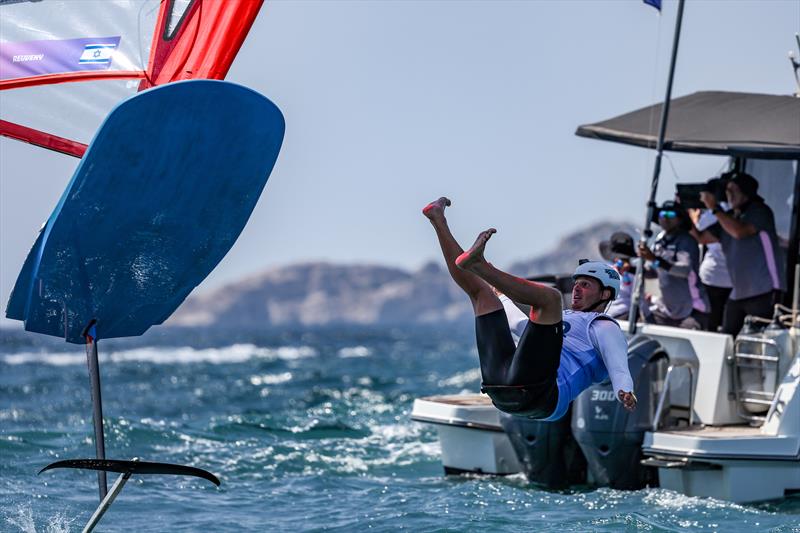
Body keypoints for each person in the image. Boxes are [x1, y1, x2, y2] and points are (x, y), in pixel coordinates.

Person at [422, 197, 636, 421]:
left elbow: (619, 365)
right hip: (502, 389)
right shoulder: (559, 320)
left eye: (585, 284)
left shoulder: (603, 326)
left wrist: (624, 390)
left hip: (544, 397)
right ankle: (438, 220)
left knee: (551, 298)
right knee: (482, 294)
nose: (576, 289)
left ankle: (480, 265)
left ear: (605, 294)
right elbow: (520, 324)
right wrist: (501, 294)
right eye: (576, 283)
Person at [691, 172, 786, 335]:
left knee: (758, 339)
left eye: (734, 190)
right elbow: (701, 238)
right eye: (727, 190)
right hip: (739, 291)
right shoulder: (728, 218)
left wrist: (714, 208)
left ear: (746, 192)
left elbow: (740, 231)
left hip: (765, 288)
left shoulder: (760, 211)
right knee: (728, 337)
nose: (729, 195)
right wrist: (685, 215)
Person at [637, 200, 710, 330]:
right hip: (665, 310)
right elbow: (652, 271)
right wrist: (632, 269)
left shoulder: (687, 241)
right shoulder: (659, 241)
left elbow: (684, 271)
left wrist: (654, 259)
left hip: (691, 309)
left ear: (680, 219)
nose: (665, 217)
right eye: (662, 214)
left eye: (670, 214)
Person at [690, 176, 733, 332]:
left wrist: (693, 219)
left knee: (710, 323)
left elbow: (698, 237)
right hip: (734, 278)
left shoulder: (713, 213)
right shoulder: (735, 213)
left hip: (712, 275)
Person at [598, 231, 637, 320]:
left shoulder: (631, 274)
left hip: (626, 313)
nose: (626, 264)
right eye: (623, 260)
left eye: (627, 260)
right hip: (617, 316)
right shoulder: (607, 274)